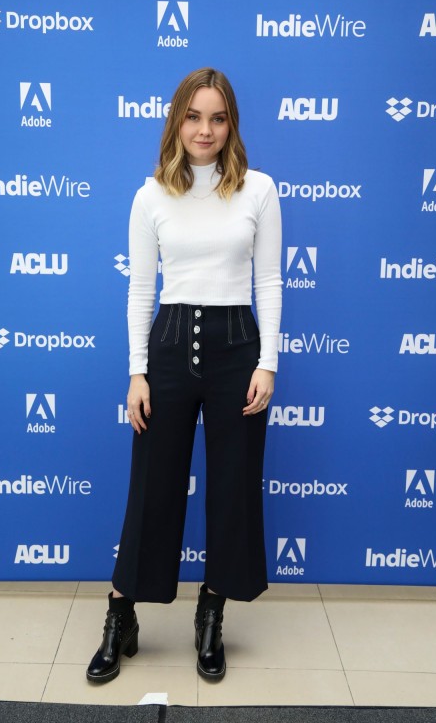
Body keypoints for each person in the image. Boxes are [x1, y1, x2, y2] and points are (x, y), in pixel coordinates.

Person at [86, 67, 283, 684]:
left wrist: (268, 361)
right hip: (168, 347)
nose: (205, 130)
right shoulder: (150, 196)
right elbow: (140, 290)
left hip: (238, 347)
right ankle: (121, 614)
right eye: (194, 116)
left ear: (231, 125)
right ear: (176, 121)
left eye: (217, 118)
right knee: (152, 484)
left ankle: (211, 613)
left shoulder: (258, 190)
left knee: (233, 485)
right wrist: (137, 373)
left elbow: (269, 280)